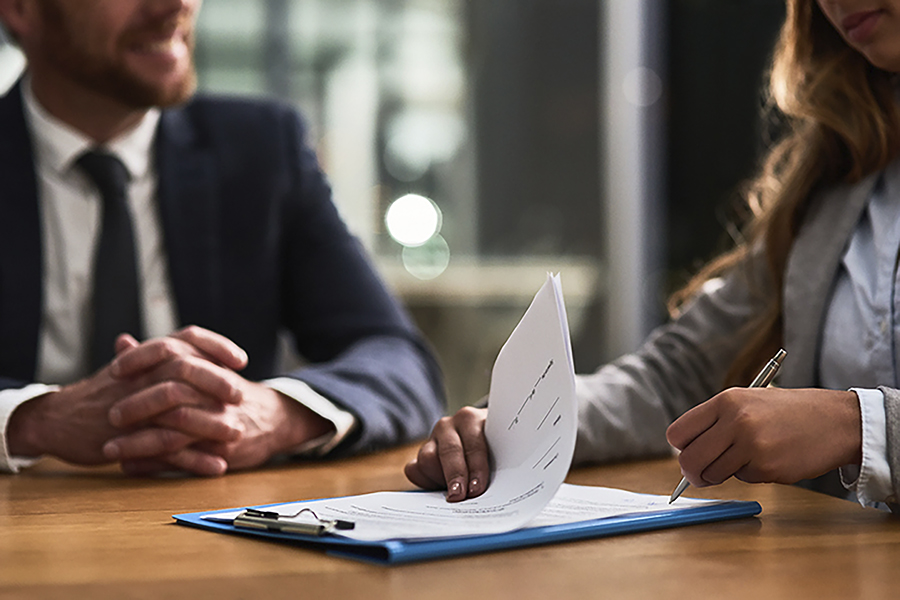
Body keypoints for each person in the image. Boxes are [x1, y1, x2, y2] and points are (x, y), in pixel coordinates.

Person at [406, 0, 900, 510]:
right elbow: (678, 376)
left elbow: (852, 424)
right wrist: (516, 424)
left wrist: (859, 427)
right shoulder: (841, 171)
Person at [0, 0, 444, 476]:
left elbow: (399, 361)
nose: (179, 4)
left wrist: (276, 414)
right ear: (23, 9)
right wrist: (32, 420)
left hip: (222, 523)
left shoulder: (262, 147)